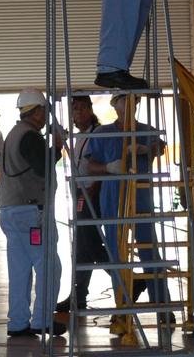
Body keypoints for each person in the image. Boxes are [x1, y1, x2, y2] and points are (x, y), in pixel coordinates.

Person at [84, 93, 171, 323]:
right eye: (124, 99)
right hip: (113, 200)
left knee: (149, 252)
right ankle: (122, 308)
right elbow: (90, 165)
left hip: (141, 198)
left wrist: (147, 148)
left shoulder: (146, 129)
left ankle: (163, 306)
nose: (129, 103)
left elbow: (160, 146)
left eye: (134, 100)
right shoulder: (103, 133)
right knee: (117, 255)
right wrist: (108, 168)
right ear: (114, 104)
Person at [0, 89, 67, 339]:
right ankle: (42, 320)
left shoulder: (14, 135)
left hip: (11, 211)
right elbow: (44, 168)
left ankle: (17, 322)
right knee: (49, 265)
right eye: (45, 111)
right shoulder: (30, 137)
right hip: (31, 214)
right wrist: (57, 146)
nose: (47, 116)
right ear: (38, 111)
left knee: (20, 269)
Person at [55, 96, 111, 316]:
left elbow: (100, 166)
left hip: (92, 195)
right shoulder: (79, 136)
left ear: (89, 109)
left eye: (80, 109)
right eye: (73, 110)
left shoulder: (98, 133)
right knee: (81, 248)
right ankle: (78, 296)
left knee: (91, 244)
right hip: (80, 193)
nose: (76, 114)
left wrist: (93, 189)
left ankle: (127, 281)